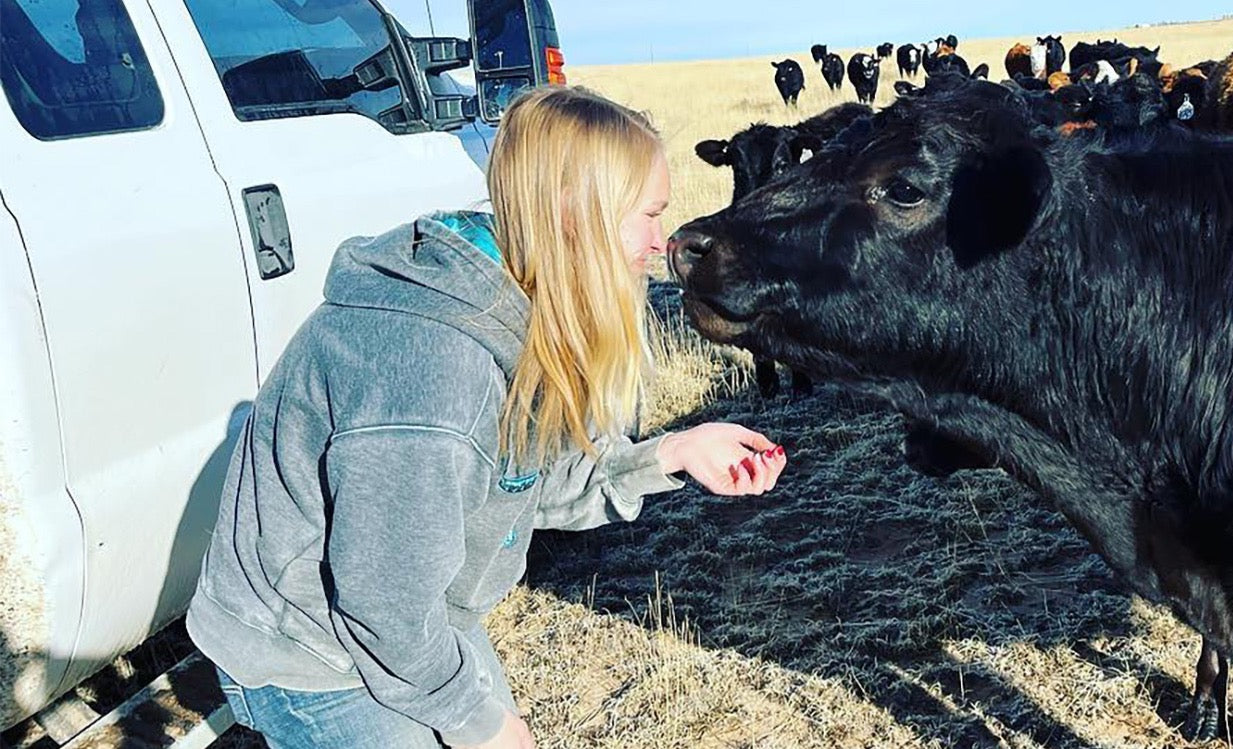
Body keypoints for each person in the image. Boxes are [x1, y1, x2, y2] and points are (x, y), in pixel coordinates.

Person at [187, 86, 786, 749]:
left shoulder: (518, 301)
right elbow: (382, 606)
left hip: (411, 609)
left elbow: (535, 482)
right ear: (573, 211)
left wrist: (674, 451)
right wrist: (481, 724)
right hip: (310, 651)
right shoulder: (438, 370)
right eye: (647, 214)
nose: (660, 240)